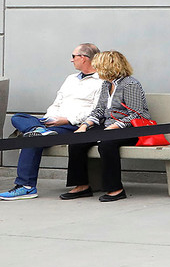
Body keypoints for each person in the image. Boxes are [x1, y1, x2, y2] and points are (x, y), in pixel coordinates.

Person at [0, 43, 100, 201]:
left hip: (73, 126)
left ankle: (26, 187)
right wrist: (48, 119)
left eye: (73, 56)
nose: (71, 60)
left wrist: (65, 120)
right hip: (52, 124)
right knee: (18, 117)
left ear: (84, 58)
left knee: (32, 137)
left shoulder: (101, 81)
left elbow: (95, 110)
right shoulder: (71, 79)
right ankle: (39, 129)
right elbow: (57, 102)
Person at [59, 50, 147, 203]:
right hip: (108, 126)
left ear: (109, 67)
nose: (96, 70)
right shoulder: (106, 84)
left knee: (107, 144)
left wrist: (115, 126)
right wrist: (85, 125)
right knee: (77, 141)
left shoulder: (130, 84)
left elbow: (137, 114)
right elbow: (99, 110)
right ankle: (82, 186)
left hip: (130, 129)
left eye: (98, 67)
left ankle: (116, 189)